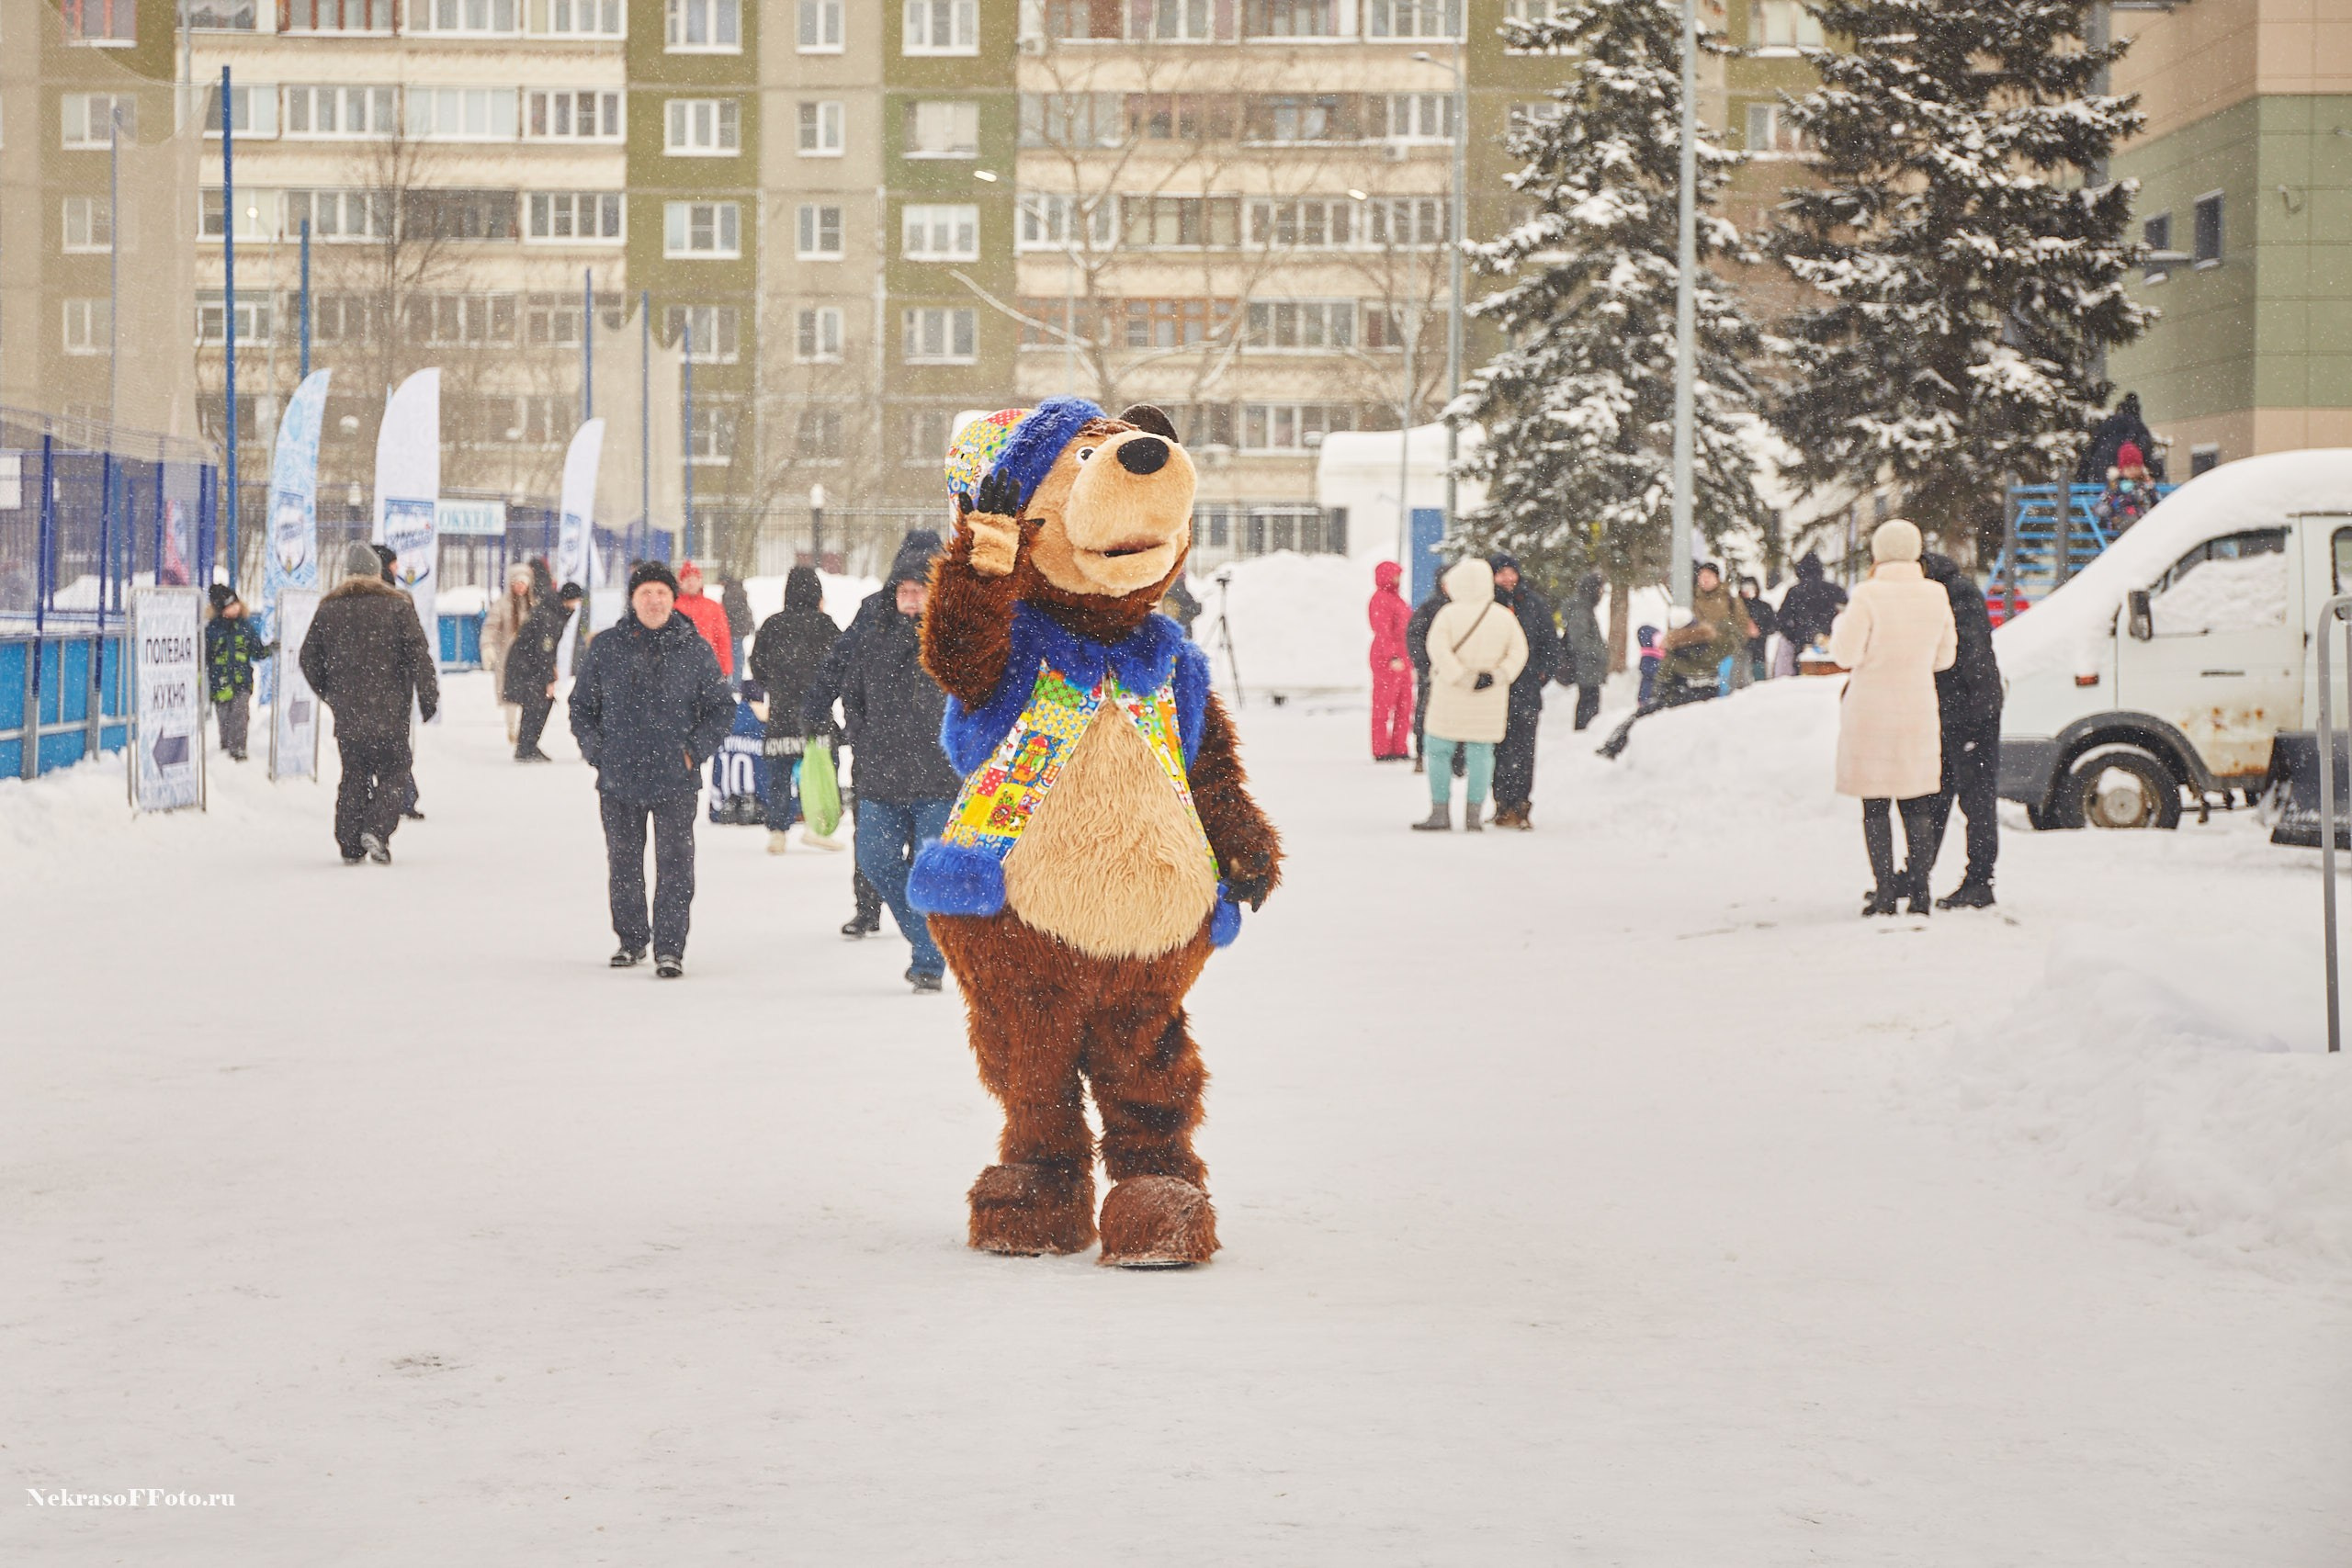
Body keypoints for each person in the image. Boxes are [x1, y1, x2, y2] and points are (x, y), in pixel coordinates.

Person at [569, 560, 735, 978]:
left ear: (673, 598)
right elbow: (581, 708)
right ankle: (631, 939)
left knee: (675, 864)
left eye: (662, 592)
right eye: (646, 593)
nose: (654, 600)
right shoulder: (606, 647)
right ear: (633, 599)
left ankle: (670, 948)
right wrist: (598, 752)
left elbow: (720, 709)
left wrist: (692, 751)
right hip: (619, 776)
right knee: (624, 862)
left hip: (675, 778)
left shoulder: (694, 649)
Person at [805, 530, 943, 938]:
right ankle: (913, 920)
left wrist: (817, 708)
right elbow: (845, 664)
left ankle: (875, 911)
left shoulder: (939, 616)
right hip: (886, 748)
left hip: (917, 755)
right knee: (889, 844)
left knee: (877, 839)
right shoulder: (879, 613)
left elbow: (836, 662)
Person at [839, 546, 961, 991]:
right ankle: (930, 939)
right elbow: (851, 694)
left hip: (939, 778)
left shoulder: (952, 640)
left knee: (931, 873)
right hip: (880, 777)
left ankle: (928, 963)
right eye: (904, 592)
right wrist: (862, 737)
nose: (910, 600)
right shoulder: (873, 638)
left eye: (919, 592)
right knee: (875, 860)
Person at [1830, 520, 1957, 918]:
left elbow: (1844, 654)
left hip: (1871, 712)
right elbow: (1945, 658)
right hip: (1916, 709)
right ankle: (1919, 893)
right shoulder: (1936, 595)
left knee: (1875, 806)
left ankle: (1885, 892)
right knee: (1917, 804)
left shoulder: (1868, 595)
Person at [299, 540, 440, 865]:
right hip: (390, 709)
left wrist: (331, 693)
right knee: (395, 771)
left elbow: (308, 659)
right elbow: (419, 656)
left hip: (349, 713)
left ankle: (349, 842)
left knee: (354, 773)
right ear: (377, 573)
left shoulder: (328, 608)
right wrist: (428, 697)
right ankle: (376, 829)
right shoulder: (398, 606)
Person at [1412, 557, 1528, 833]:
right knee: (1481, 753)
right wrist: (1495, 676)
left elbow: (1437, 649)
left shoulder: (1448, 614)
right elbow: (1518, 652)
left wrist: (1461, 676)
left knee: (1438, 750)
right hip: (1489, 698)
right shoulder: (1502, 616)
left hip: (1449, 695)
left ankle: (1440, 811)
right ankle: (1473, 816)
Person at [1918, 551, 2002, 908]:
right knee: (1935, 799)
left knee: (1977, 799)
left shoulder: (1958, 593)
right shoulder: (1938, 592)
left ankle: (1980, 881)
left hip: (1972, 714)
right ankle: (1917, 875)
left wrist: (1970, 711)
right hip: (1951, 712)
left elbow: (1969, 655)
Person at [746, 565, 843, 852]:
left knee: (778, 774)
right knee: (823, 772)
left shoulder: (772, 625)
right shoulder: (826, 625)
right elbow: (840, 666)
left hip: (782, 714)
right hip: (817, 716)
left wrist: (777, 688)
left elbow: (758, 666)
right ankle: (818, 825)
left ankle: (777, 830)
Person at [1487, 554, 1556, 830]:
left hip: (1526, 691)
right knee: (1498, 749)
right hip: (1495, 691)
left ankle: (1521, 805)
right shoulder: (1486, 606)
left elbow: (1550, 644)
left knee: (1524, 751)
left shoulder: (1534, 605)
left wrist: (1540, 674)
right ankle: (1501, 804)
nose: (1507, 579)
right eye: (1501, 573)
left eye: (1511, 572)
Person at [503, 581, 582, 762]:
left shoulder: (553, 611)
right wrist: (548, 679)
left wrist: (551, 670)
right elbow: (543, 649)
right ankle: (526, 747)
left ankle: (528, 746)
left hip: (528, 665)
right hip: (526, 667)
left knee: (538, 703)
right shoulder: (550, 617)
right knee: (537, 702)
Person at [1655, 563, 1751, 706]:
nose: (1704, 580)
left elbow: (1742, 625)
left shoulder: (1730, 600)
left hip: (1724, 654)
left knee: (1726, 693)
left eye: (1708, 576)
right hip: (1697, 653)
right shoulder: (1691, 599)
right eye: (1702, 576)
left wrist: (1733, 642)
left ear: (1717, 578)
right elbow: (1679, 624)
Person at [203, 585, 273, 762]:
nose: (235, 608)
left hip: (242, 682)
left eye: (236, 603)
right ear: (220, 610)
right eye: (229, 606)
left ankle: (239, 751)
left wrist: (269, 649)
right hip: (220, 684)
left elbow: (257, 651)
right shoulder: (212, 630)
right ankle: (225, 752)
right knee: (224, 718)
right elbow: (205, 656)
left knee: (240, 715)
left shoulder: (245, 627)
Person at [481, 563, 537, 744]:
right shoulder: (502, 606)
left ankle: (525, 731)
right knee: (511, 696)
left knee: (530, 696)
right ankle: (512, 729)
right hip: (508, 658)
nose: (520, 587)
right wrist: (487, 646)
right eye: (517, 583)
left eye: (524, 583)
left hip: (530, 659)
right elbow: (490, 627)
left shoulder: (534, 606)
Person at [1367, 560, 1413, 761]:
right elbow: (1383, 631)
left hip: (1402, 657)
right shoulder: (1380, 600)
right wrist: (1392, 656)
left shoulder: (1396, 599)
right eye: (1395, 575)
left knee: (1404, 704)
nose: (1398, 579)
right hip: (1387, 659)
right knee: (1383, 706)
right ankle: (1381, 749)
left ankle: (1399, 747)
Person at [1774, 551, 1847, 676]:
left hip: (1801, 644)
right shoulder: (1834, 590)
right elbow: (1847, 615)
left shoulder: (1795, 592)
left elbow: (1781, 620)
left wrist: (1794, 636)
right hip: (1830, 643)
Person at [1405, 575, 1448, 774]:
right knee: (1425, 712)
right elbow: (1414, 635)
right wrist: (1424, 664)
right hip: (1431, 672)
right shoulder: (1429, 607)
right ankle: (1421, 753)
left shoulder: (1464, 609)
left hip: (1456, 674)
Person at [1557, 570, 1607, 731]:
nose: (1601, 593)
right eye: (1599, 589)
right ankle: (1584, 734)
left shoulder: (1583, 608)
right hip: (1586, 666)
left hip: (1588, 666)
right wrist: (1600, 651)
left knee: (1589, 700)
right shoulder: (1581, 609)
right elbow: (1580, 640)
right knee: (1589, 702)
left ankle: (1585, 732)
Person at [671, 559, 735, 681]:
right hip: (679, 668)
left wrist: (725, 668)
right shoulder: (673, 606)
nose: (691, 583)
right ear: (680, 582)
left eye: (694, 579)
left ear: (700, 581)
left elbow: (722, 638)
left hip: (709, 666)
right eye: (687, 579)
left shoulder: (713, 606)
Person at [2076, 391, 2158, 485]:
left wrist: (2082, 481)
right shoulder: (2137, 428)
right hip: (2129, 480)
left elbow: (2090, 451)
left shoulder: (2107, 425)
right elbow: (2147, 453)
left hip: (2102, 474)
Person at [1737, 575, 1777, 686]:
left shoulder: (1764, 607)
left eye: (1751, 587)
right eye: (1745, 587)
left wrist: (1760, 631)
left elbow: (1773, 626)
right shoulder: (1737, 607)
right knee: (1740, 680)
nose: (1748, 590)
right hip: (1739, 650)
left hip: (1759, 651)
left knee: (1759, 679)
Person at [719, 575, 755, 683]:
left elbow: (726, 612)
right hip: (739, 629)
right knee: (738, 654)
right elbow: (746, 611)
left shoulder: (729, 594)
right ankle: (737, 680)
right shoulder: (740, 592)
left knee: (733, 655)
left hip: (731, 629)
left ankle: (734, 682)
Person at [1634, 625, 1662, 707]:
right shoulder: (1651, 658)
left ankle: (1644, 701)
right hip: (1649, 698)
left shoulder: (1647, 658)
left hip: (1647, 696)